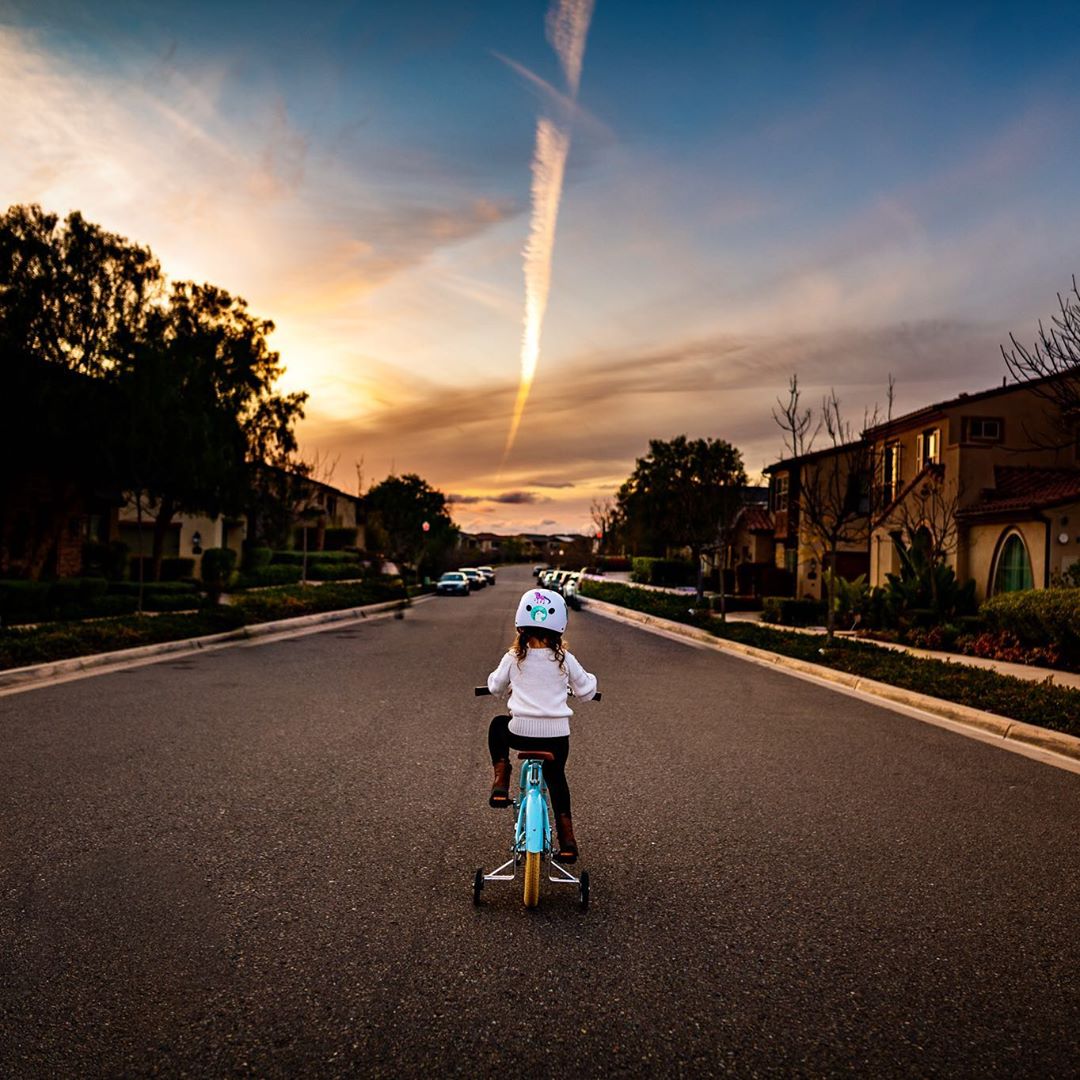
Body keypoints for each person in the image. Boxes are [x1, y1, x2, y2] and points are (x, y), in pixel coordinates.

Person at [486, 586, 598, 863]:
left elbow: (495, 686)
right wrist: (590, 684)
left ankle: (501, 779)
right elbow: (585, 691)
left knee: (498, 725)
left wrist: (504, 687)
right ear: (559, 627)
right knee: (557, 779)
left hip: (520, 733)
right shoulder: (565, 660)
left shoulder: (513, 658)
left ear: (521, 627)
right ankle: (568, 840)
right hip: (556, 738)